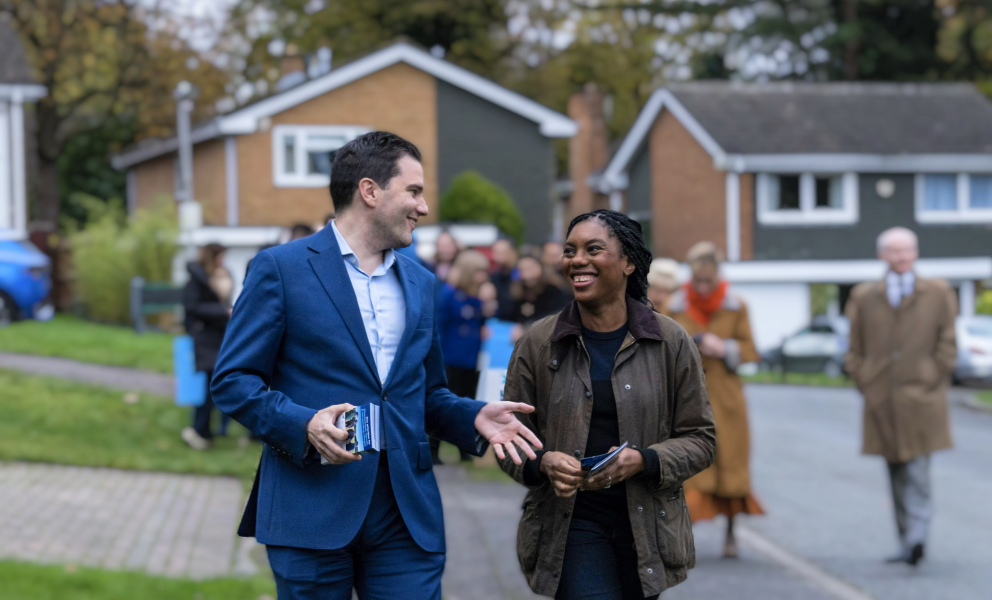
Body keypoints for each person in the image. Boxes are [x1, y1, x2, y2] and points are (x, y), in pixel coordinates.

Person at [210, 131, 542, 600]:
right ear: (370, 191)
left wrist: (473, 415)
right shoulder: (280, 268)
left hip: (405, 511)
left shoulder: (422, 283)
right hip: (312, 506)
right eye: (413, 191)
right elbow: (232, 381)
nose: (423, 207)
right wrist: (302, 424)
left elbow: (425, 393)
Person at [498, 209, 716, 600]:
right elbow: (507, 437)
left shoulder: (670, 341)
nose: (577, 260)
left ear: (629, 262)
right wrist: (542, 461)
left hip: (648, 527)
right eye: (570, 250)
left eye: (593, 249)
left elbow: (701, 439)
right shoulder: (537, 343)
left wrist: (645, 460)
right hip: (571, 524)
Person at [844, 227, 956, 566]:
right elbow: (854, 346)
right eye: (894, 251)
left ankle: (917, 537)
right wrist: (864, 378)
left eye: (907, 250)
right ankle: (907, 539)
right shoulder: (865, 296)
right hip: (881, 399)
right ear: (882, 255)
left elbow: (947, 341)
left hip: (922, 398)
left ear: (916, 253)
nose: (901, 257)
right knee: (894, 471)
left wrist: (933, 375)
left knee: (918, 471)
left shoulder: (938, 292)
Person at [664, 241, 762, 558]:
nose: (703, 287)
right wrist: (689, 345)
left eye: (709, 281)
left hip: (726, 395)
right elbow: (661, 344)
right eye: (698, 281)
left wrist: (725, 348)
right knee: (687, 460)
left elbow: (750, 350)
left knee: (731, 462)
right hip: (687, 393)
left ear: (718, 276)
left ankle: (732, 534)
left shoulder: (736, 305)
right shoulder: (675, 305)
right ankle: (681, 537)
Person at [431, 249, 492, 464]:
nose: (482, 277)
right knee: (445, 403)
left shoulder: (474, 297)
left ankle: (465, 450)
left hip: (470, 359)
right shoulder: (448, 294)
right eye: (479, 272)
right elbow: (439, 327)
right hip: (450, 359)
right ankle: (434, 450)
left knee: (468, 403)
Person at [181, 244, 233, 450]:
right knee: (208, 388)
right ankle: (199, 430)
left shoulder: (222, 274)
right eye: (220, 256)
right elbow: (192, 307)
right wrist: (222, 312)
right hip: (205, 339)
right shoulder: (197, 279)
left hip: (220, 337)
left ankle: (209, 430)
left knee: (216, 385)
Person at [508, 253, 571, 341]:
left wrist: (527, 329)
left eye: (530, 268)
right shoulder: (519, 291)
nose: (526, 274)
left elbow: (557, 317)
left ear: (540, 267)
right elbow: (512, 316)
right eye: (522, 270)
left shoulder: (554, 289)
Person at [490, 238, 519, 320]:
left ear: (513, 252)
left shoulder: (523, 274)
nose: (495, 256)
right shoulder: (493, 276)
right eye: (495, 252)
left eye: (500, 252)